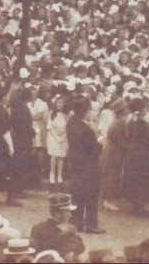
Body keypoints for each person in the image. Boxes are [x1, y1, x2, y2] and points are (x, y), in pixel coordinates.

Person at [66, 97, 105, 234]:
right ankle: (91, 224)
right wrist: (100, 142)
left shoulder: (71, 124)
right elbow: (94, 148)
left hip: (76, 163)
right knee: (91, 194)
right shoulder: (86, 129)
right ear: (86, 111)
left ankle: (77, 222)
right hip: (88, 165)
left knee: (77, 193)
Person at [123, 97, 149, 217]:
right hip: (144, 156)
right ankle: (141, 206)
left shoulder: (131, 122)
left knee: (135, 180)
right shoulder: (143, 124)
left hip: (133, 154)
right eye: (145, 107)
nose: (147, 109)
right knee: (144, 180)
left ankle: (136, 205)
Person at [100, 98, 129, 212]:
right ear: (122, 110)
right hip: (115, 152)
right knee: (113, 176)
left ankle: (107, 200)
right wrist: (127, 146)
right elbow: (118, 139)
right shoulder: (121, 122)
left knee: (109, 174)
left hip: (111, 150)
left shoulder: (116, 120)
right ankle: (109, 200)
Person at [47, 95, 70, 185]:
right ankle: (52, 173)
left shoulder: (67, 114)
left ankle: (59, 174)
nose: (60, 104)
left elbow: (68, 127)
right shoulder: (52, 113)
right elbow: (50, 127)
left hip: (63, 136)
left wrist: (63, 136)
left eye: (62, 103)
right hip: (54, 136)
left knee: (61, 157)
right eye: (58, 102)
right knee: (54, 156)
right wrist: (56, 137)